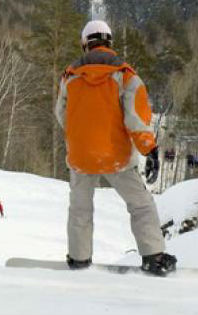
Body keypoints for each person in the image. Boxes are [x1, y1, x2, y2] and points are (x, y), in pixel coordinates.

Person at [54, 20, 177, 276]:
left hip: (81, 156)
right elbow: (135, 118)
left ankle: (79, 259)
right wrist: (149, 149)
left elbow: (61, 113)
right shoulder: (125, 75)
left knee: (80, 208)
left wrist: (80, 136)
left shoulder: (69, 77)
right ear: (109, 42)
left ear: (85, 43)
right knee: (140, 205)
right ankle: (154, 257)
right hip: (115, 155)